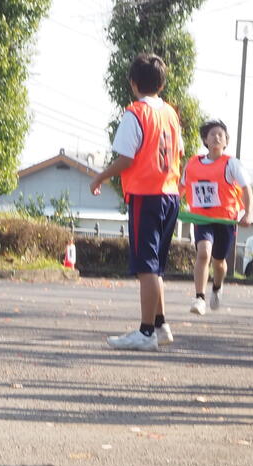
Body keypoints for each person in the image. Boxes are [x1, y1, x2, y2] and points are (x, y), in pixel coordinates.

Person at [90, 53, 182, 351]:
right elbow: (178, 151)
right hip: (170, 194)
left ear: (133, 83)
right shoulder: (170, 114)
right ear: (162, 84)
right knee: (156, 267)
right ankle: (160, 326)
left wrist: (100, 176)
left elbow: (127, 158)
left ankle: (145, 332)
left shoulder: (136, 113)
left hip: (147, 195)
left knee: (147, 267)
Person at [182, 119, 253, 315]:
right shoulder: (193, 163)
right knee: (203, 253)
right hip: (202, 219)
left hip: (225, 220)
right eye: (212, 134)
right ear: (205, 140)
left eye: (221, 135)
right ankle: (199, 298)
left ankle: (217, 286)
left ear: (226, 141)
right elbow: (181, 187)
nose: (216, 137)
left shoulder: (231, 164)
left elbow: (246, 189)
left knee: (219, 261)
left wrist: (248, 213)